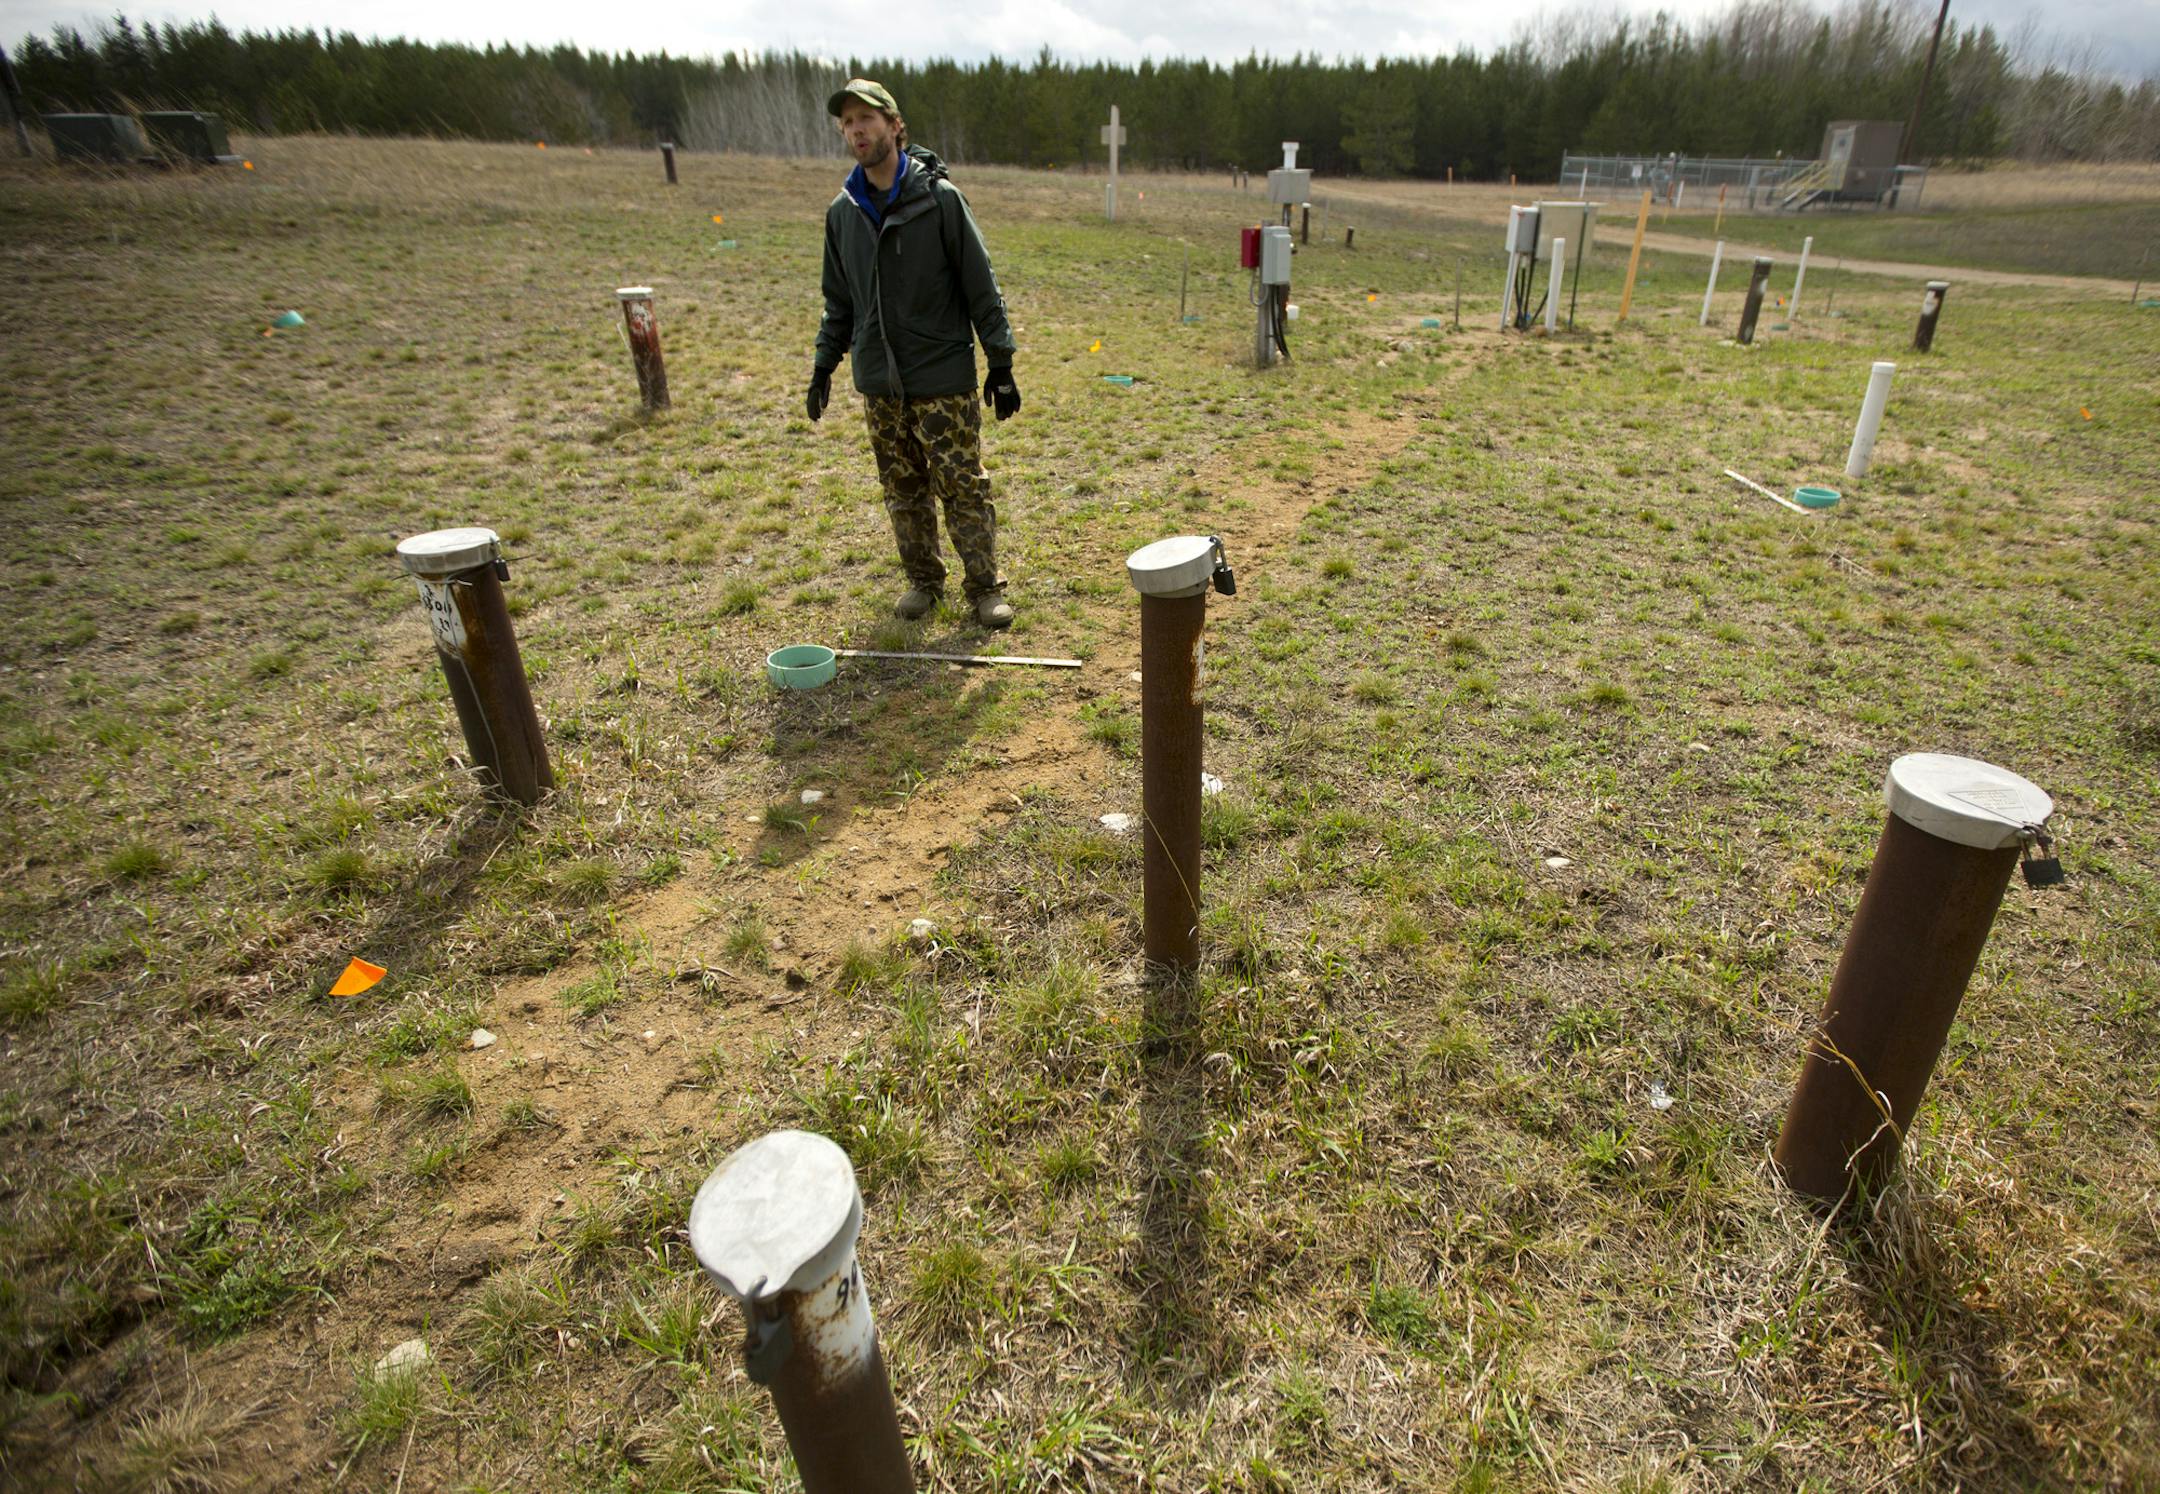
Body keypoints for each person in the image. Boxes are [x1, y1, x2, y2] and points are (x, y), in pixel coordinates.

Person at [807, 79, 1021, 630]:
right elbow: (839, 301)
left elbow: (981, 284)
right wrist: (824, 365)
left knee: (962, 485)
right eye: (849, 123)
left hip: (941, 377)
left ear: (894, 126)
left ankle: (985, 588)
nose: (858, 131)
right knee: (902, 489)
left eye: (868, 120)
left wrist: (1000, 361)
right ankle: (924, 582)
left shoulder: (941, 200)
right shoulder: (843, 213)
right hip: (880, 381)